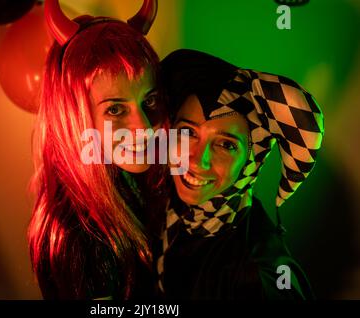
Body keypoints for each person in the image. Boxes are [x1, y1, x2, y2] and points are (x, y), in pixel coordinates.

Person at [156, 49, 324, 299]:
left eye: (226, 144)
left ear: (251, 160)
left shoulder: (258, 278)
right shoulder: (158, 201)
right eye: (188, 132)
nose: (198, 161)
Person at [28, 0, 168, 299]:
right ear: (75, 116)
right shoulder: (78, 236)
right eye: (116, 109)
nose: (142, 128)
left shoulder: (147, 181)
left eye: (150, 100)